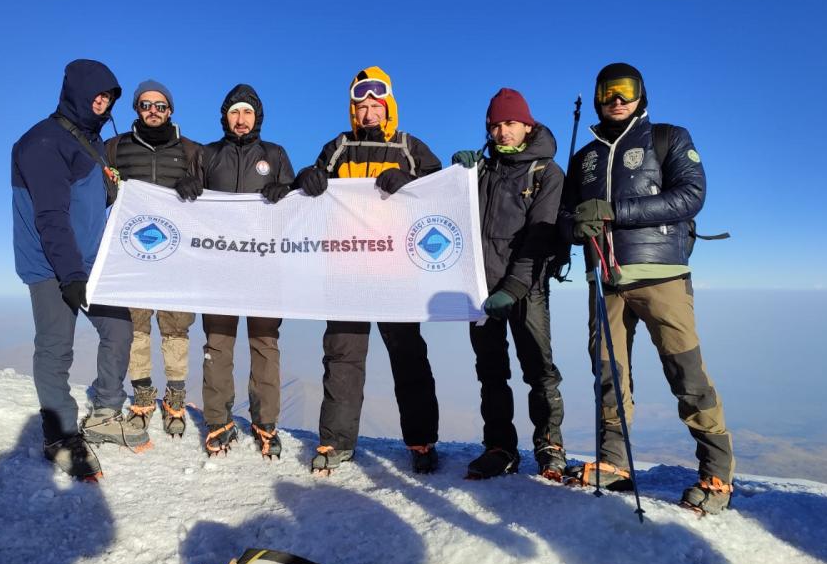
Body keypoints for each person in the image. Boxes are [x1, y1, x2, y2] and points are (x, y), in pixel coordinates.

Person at [558, 62, 735, 515]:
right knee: (608, 373)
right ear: (596, 98)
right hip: (605, 280)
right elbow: (566, 215)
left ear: (641, 94)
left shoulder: (667, 138)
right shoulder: (585, 156)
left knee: (685, 372)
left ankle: (717, 474)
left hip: (662, 275)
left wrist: (614, 211)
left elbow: (690, 196)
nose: (617, 99)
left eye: (626, 89)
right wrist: (575, 227)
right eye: (607, 91)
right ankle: (614, 462)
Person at [294, 66, 442, 474]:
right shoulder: (339, 147)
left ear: (389, 106)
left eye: (376, 104)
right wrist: (306, 177)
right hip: (346, 270)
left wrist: (409, 179)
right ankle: (336, 442)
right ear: (352, 110)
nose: (369, 111)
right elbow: (312, 183)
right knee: (342, 356)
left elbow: (440, 186)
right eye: (361, 106)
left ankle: (422, 441)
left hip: (397, 271)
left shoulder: (409, 146)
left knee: (408, 356)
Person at [11, 59, 149, 479]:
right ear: (76, 92)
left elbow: (89, 203)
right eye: (96, 94)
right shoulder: (42, 142)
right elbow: (50, 215)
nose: (102, 102)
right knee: (56, 348)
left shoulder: (91, 143)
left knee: (119, 329)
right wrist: (70, 274)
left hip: (89, 262)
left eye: (108, 96)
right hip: (52, 265)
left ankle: (105, 413)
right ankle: (59, 437)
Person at [452, 88, 568, 481]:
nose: (503, 131)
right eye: (496, 125)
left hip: (526, 288)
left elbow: (540, 238)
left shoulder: (546, 172)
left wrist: (513, 288)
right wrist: (457, 175)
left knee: (539, 369)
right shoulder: (482, 170)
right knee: (491, 371)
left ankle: (549, 445)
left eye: (511, 123)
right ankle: (499, 447)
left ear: (527, 126)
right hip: (480, 288)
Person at [176, 84, 294, 458]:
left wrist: (286, 192)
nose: (240, 120)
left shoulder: (274, 154)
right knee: (218, 345)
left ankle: (265, 423)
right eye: (234, 112)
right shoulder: (208, 155)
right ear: (225, 117)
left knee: (265, 345)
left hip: (264, 269)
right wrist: (185, 187)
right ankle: (218, 421)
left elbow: (295, 210)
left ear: (257, 117)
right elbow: (187, 206)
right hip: (219, 269)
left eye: (247, 112)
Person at [105, 79, 201, 438]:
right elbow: (97, 192)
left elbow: (212, 196)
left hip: (179, 257)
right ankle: (143, 397)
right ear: (137, 109)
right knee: (137, 329)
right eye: (146, 105)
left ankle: (175, 398)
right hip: (133, 256)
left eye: (160, 105)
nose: (153, 111)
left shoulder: (192, 151)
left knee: (176, 329)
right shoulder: (115, 148)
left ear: (170, 110)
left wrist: (197, 189)